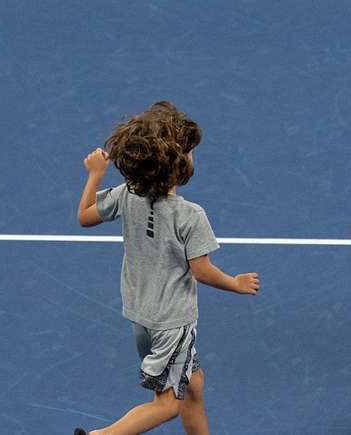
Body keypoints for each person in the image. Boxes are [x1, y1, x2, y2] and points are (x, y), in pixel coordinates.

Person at [74, 101, 260, 435]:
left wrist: (95, 175)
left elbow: (85, 214)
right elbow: (202, 271)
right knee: (168, 404)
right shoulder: (190, 215)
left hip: (141, 317)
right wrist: (236, 283)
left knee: (193, 384)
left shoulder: (128, 193)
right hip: (172, 323)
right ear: (180, 165)